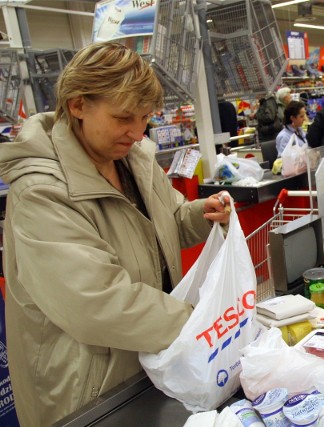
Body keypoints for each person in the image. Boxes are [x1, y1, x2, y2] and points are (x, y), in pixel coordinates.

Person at [0, 41, 232, 426]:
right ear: (78, 105)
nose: (137, 132)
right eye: (125, 117)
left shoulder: (133, 158)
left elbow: (167, 219)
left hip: (148, 361)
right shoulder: (42, 192)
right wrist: (202, 322)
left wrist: (200, 215)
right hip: (89, 393)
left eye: (146, 118)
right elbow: (97, 302)